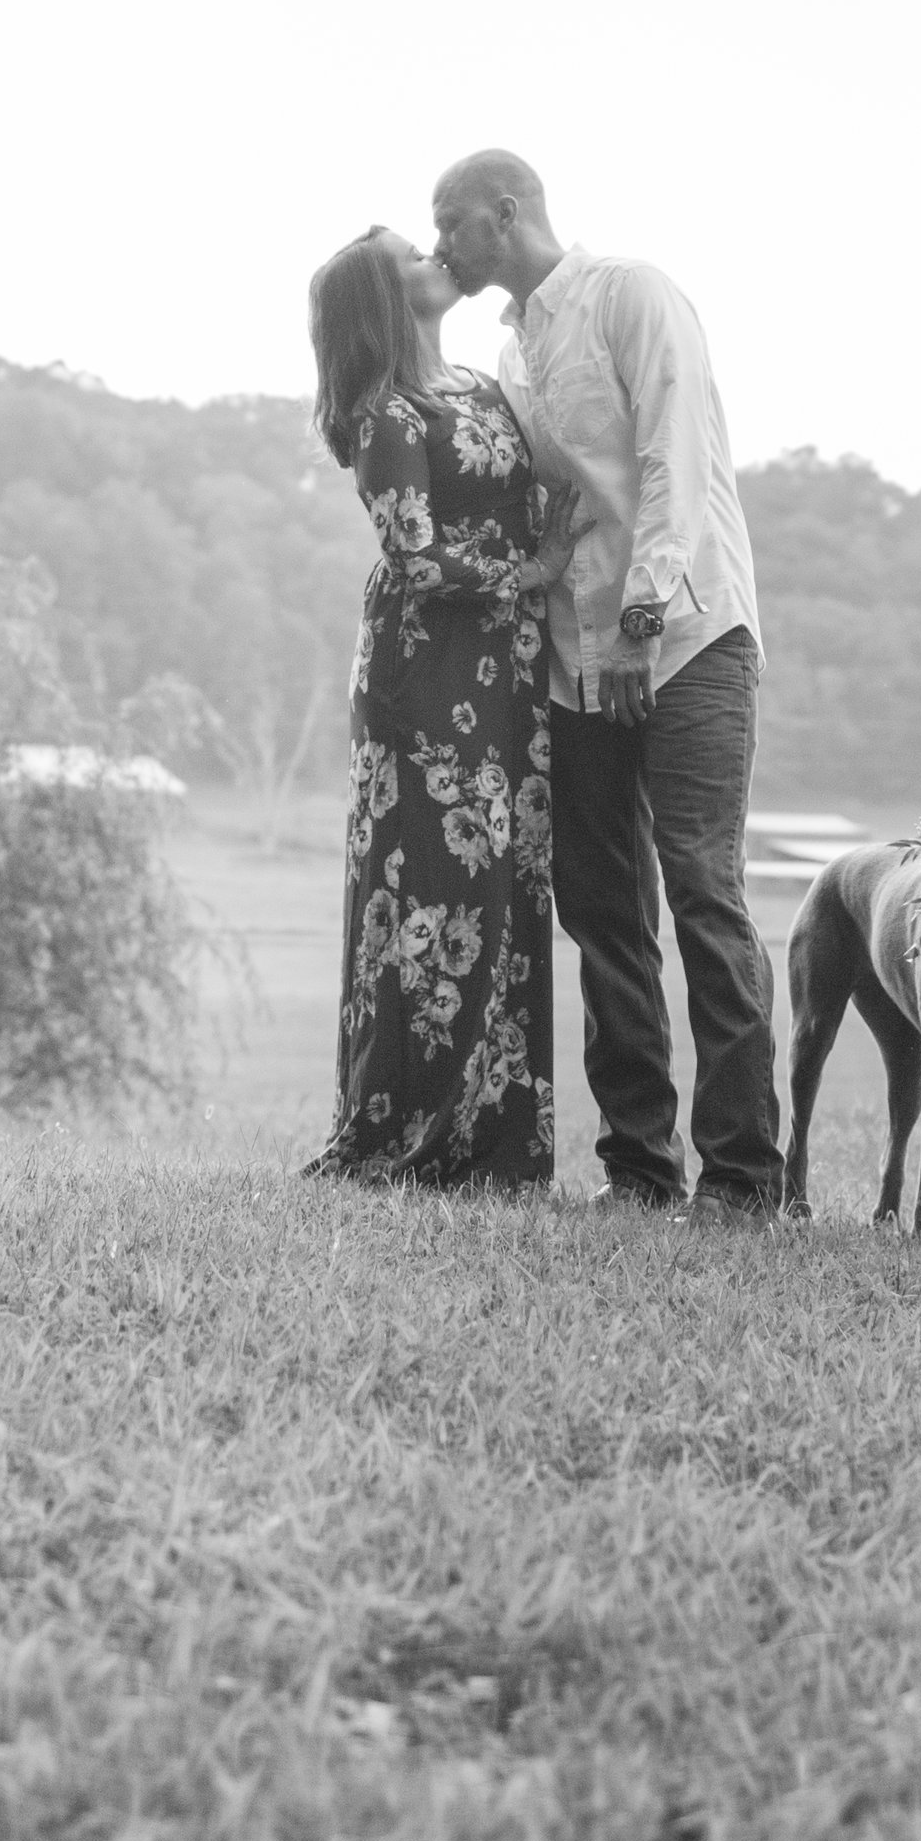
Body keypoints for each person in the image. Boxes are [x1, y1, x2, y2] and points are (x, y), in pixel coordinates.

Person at [430, 150, 783, 1217]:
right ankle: (639, 1170)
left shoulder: (631, 293)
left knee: (702, 892)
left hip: (688, 641)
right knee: (600, 909)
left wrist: (640, 622)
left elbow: (677, 459)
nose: (440, 244)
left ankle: (742, 1177)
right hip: (576, 653)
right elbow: (565, 492)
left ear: (505, 211)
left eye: (450, 223)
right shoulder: (507, 347)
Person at [302, 225, 554, 1187]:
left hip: (509, 668)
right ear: (383, 294)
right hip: (428, 674)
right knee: (426, 893)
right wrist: (530, 570)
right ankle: (408, 1130)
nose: (435, 258)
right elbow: (413, 556)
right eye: (414, 254)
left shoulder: (479, 388)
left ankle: (496, 1141)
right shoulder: (386, 413)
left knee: (502, 885)